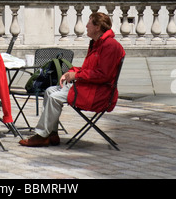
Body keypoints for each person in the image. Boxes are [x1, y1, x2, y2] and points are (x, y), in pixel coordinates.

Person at [19, 12, 126, 147]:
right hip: (90, 87)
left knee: (54, 97)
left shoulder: (109, 45)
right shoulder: (97, 43)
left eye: (89, 22)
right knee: (49, 91)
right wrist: (71, 72)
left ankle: (41, 135)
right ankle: (52, 133)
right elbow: (90, 69)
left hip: (98, 93)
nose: (86, 26)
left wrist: (76, 76)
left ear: (97, 27)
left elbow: (102, 75)